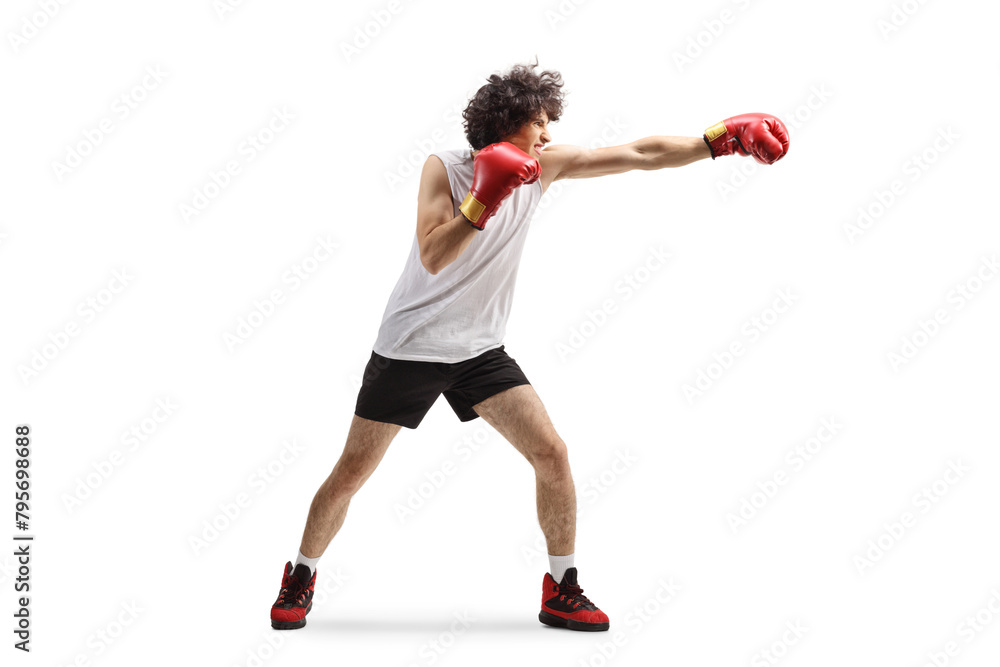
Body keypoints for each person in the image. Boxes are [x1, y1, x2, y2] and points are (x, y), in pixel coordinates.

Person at [270, 59, 789, 632]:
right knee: (351, 473)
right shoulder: (446, 167)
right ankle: (300, 573)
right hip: (411, 347)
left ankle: (561, 589)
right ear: (509, 121)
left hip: (479, 351)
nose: (549, 135)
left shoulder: (545, 167)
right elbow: (434, 254)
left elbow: (638, 154)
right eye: (541, 122)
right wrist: (482, 200)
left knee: (552, 453)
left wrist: (717, 142)